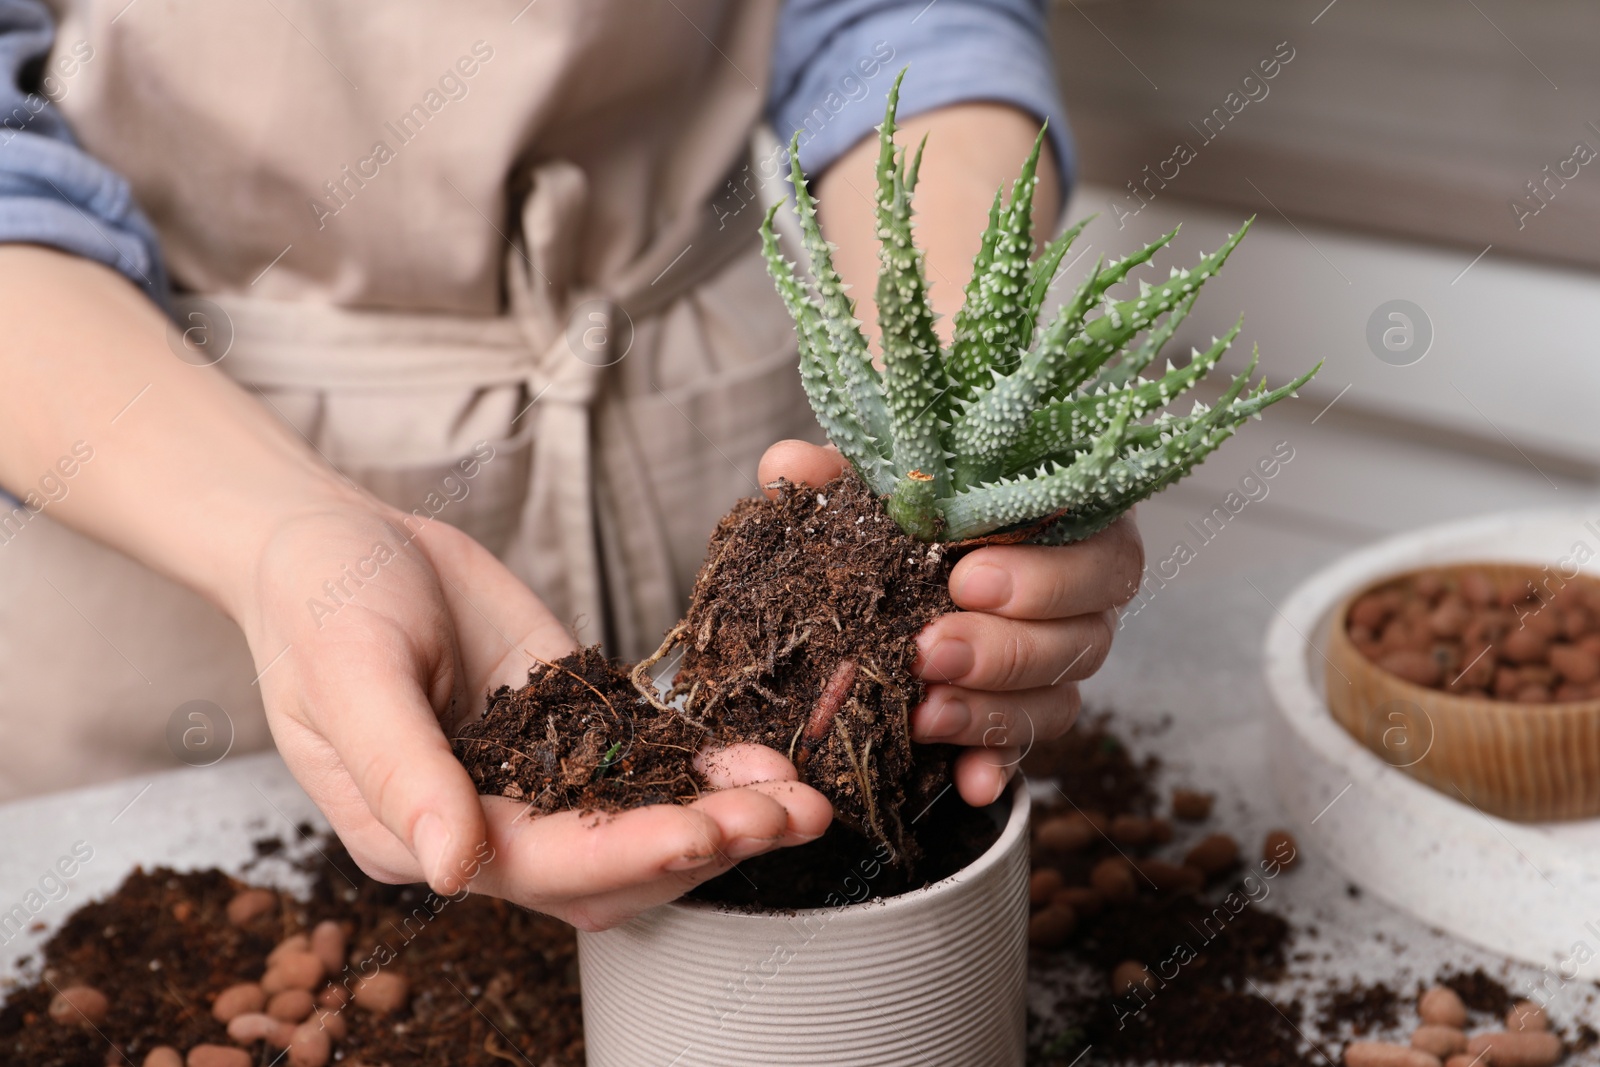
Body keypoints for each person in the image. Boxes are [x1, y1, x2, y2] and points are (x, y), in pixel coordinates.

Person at [0, 0, 1142, 930]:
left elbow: (900, 23)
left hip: (678, 405)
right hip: (154, 457)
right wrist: (282, 540)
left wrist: (943, 413)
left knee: (788, 842)